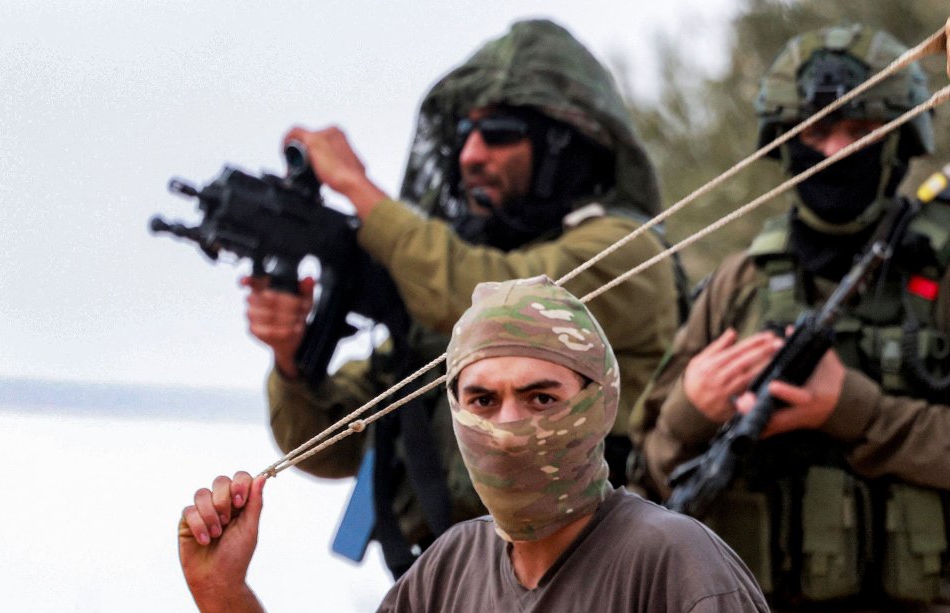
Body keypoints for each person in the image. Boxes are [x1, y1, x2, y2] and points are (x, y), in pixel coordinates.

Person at [630, 23, 950, 613]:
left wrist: (856, 411)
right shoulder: (737, 286)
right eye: (816, 132)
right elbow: (642, 487)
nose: (836, 151)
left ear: (900, 139)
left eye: (860, 131)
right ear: (784, 142)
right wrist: (690, 411)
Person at [245, 19, 683, 577]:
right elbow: (325, 446)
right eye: (464, 138)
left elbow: (497, 300)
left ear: (560, 146)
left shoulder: (621, 250)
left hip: (592, 581)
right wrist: (290, 359)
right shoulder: (451, 294)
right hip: (455, 595)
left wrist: (357, 187)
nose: (471, 155)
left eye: (498, 134)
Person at [180, 276, 790, 613]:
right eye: (483, 401)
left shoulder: (674, 563)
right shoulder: (451, 569)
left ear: (601, 402)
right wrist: (221, 594)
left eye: (542, 398)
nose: (508, 426)